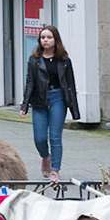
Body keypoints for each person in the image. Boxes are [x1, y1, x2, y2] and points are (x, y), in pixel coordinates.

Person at [20, 25, 81, 180]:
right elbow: (30, 83)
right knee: (39, 138)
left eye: (49, 37)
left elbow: (70, 85)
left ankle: (55, 169)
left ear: (55, 40)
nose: (45, 40)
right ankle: (45, 157)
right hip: (39, 100)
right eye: (43, 37)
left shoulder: (64, 60)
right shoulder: (34, 60)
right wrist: (24, 105)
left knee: (55, 137)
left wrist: (74, 110)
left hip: (58, 99)